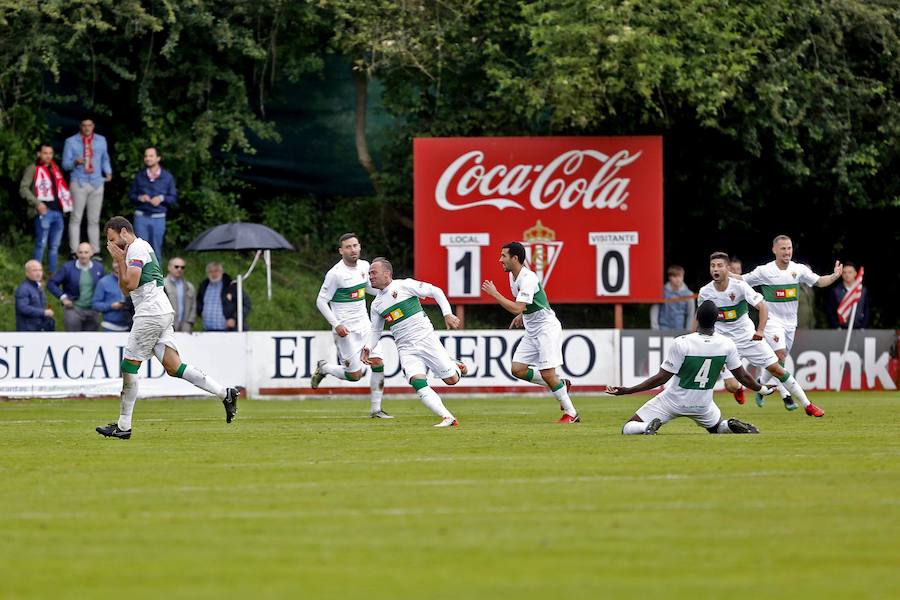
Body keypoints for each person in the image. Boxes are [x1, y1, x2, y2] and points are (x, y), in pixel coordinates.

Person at [95, 216, 240, 439]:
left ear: (124, 232)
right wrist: (120, 261)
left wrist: (121, 259)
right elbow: (126, 291)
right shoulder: (137, 249)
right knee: (174, 367)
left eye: (113, 239)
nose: (112, 245)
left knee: (129, 366)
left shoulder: (135, 249)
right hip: (160, 311)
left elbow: (130, 284)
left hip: (150, 313)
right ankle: (225, 393)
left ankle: (124, 427)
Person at [606, 301, 770, 435]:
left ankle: (647, 427)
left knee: (629, 427)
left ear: (696, 317)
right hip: (703, 404)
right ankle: (729, 425)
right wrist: (761, 389)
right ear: (717, 320)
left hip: (674, 401)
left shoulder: (682, 342)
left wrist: (628, 390)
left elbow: (661, 378)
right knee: (717, 427)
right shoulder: (727, 344)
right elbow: (742, 376)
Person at [698, 252, 824, 417]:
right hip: (725, 343)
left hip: (748, 337)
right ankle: (739, 388)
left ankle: (808, 405)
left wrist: (760, 331)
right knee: (730, 385)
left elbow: (763, 307)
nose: (716, 269)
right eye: (713, 266)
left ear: (727, 268)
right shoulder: (705, 292)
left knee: (777, 369)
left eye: (719, 265)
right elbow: (702, 317)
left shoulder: (739, 286)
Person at [736, 235, 842, 408]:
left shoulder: (798, 269)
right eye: (783, 248)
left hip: (791, 324)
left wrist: (834, 276)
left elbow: (819, 282)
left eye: (789, 248)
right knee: (780, 355)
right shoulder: (764, 271)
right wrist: (726, 274)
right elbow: (742, 279)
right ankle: (790, 398)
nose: (787, 252)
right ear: (775, 250)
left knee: (779, 363)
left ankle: (761, 385)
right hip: (771, 322)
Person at [481, 241, 579, 423]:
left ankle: (571, 413)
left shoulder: (528, 278)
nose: (500, 260)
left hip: (546, 329)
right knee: (517, 369)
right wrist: (522, 315)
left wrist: (495, 294)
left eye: (503, 256)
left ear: (515, 258)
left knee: (547, 373)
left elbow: (517, 307)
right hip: (532, 329)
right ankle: (561, 384)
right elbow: (526, 306)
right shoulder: (513, 276)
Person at [361, 258, 466, 428]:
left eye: (373, 273)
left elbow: (436, 291)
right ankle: (448, 417)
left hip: (425, 339)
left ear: (387, 274)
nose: (370, 277)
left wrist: (447, 314)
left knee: (451, 380)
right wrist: (368, 347)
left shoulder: (404, 286)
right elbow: (375, 330)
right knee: (417, 381)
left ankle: (455, 365)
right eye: (369, 274)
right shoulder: (376, 305)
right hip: (405, 348)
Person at [311, 233, 390, 418]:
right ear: (341, 251)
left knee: (378, 362)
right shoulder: (335, 274)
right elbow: (321, 302)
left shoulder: (364, 266)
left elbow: (366, 287)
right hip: (346, 331)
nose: (353, 249)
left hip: (365, 326)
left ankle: (376, 410)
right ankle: (324, 368)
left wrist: (384, 291)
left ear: (360, 247)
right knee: (355, 375)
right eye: (348, 247)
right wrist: (336, 324)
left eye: (355, 245)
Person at [19, 143, 72, 274]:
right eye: (45, 153)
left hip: (58, 212)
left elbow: (61, 189)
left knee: (54, 246)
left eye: (50, 153)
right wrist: (37, 203)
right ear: (39, 154)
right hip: (44, 212)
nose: (48, 156)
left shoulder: (55, 168)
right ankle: (36, 273)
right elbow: (23, 188)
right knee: (41, 244)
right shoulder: (33, 168)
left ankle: (52, 274)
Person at [63, 116, 112, 256]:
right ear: (80, 126)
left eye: (89, 125)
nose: (87, 128)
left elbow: (105, 159)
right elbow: (65, 165)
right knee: (76, 218)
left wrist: (108, 172)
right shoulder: (71, 141)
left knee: (94, 219)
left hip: (97, 181)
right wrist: (75, 162)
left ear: (93, 126)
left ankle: (95, 251)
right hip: (79, 181)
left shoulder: (101, 140)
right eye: (84, 125)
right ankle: (74, 251)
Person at [129, 146, 177, 262]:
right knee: (140, 251)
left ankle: (156, 279)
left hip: (158, 217)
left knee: (155, 251)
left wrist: (161, 198)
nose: (147, 158)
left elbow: (173, 197)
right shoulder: (140, 176)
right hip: (141, 217)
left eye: (151, 156)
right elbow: (131, 196)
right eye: (146, 156)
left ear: (158, 158)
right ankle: (140, 279)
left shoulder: (167, 177)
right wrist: (140, 197)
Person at [47, 242, 105, 331]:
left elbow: (103, 286)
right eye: (80, 252)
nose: (83, 255)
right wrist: (63, 297)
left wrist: (102, 304)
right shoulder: (67, 267)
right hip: (73, 309)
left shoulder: (99, 267)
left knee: (91, 341)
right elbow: (51, 283)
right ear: (76, 253)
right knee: (73, 340)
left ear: (92, 253)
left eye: (86, 252)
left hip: (93, 310)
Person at [197, 262, 251, 331]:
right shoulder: (203, 286)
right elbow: (198, 303)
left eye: (216, 271)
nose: (214, 274)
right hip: (208, 331)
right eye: (210, 272)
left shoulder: (231, 286)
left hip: (229, 331)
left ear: (221, 272)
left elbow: (247, 304)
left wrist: (234, 319)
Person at [650, 264, 695, 331]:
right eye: (675, 276)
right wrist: (655, 331)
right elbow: (654, 311)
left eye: (680, 276)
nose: (678, 279)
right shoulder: (661, 292)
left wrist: (688, 333)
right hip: (662, 330)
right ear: (669, 277)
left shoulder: (689, 294)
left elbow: (690, 315)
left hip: (680, 331)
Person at [826, 262, 870, 330]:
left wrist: (863, 326)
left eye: (850, 272)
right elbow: (830, 311)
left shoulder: (862, 290)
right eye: (844, 272)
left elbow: (866, 310)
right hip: (841, 329)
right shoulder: (835, 291)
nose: (847, 275)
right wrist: (836, 326)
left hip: (859, 329)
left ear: (855, 273)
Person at [15, 260, 55, 332]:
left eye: (40, 270)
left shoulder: (38, 286)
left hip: (39, 328)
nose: (38, 273)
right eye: (35, 270)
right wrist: (43, 312)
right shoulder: (23, 289)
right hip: (28, 330)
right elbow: (23, 308)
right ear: (27, 273)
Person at [92, 263, 132, 332]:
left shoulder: (133, 281)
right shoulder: (103, 282)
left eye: (120, 261)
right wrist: (111, 306)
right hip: (109, 328)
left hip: (130, 327)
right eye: (115, 262)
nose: (118, 264)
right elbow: (95, 304)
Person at [164, 257, 196, 333]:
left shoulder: (189, 286)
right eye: (176, 267)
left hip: (185, 327)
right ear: (169, 267)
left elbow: (193, 306)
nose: (179, 269)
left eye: (182, 267)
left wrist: (189, 323)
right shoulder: (162, 284)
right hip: (167, 327)